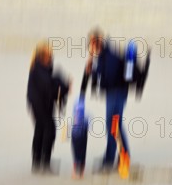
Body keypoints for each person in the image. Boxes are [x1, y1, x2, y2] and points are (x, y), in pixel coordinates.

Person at [80, 28, 132, 173]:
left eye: (91, 43)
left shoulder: (109, 55)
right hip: (115, 93)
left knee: (114, 126)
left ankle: (120, 159)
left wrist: (96, 75)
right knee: (113, 126)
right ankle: (111, 159)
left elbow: (109, 77)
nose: (90, 47)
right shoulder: (104, 54)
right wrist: (94, 70)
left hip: (116, 94)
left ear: (97, 41)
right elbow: (106, 72)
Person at [27, 42, 71, 174]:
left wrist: (61, 85)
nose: (51, 57)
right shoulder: (39, 69)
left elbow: (51, 85)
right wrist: (65, 86)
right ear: (42, 56)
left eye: (52, 55)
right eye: (49, 55)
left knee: (40, 130)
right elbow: (50, 88)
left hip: (37, 104)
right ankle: (44, 164)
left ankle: (37, 162)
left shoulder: (40, 67)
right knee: (49, 131)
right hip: (40, 105)